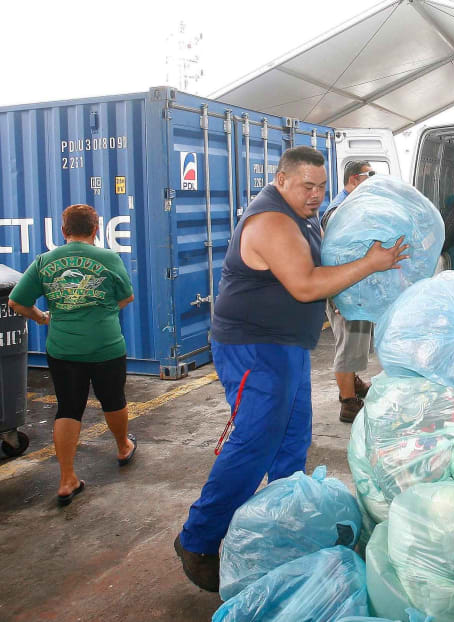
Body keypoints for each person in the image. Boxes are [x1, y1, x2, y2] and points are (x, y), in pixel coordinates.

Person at [174, 146, 409, 592]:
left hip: (286, 347)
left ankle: (285, 524)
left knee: (293, 442)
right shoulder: (273, 221)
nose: (316, 195)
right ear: (281, 180)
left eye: (321, 186)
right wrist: (371, 263)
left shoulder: (302, 215)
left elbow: (319, 269)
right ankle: (198, 539)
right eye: (307, 186)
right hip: (254, 347)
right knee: (254, 444)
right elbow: (303, 286)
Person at [7, 204, 136, 506]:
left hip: (64, 348)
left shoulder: (44, 261)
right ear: (95, 229)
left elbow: (16, 302)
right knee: (113, 399)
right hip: (106, 345)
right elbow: (126, 296)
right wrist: (102, 312)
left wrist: (42, 317)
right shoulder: (108, 258)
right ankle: (122, 447)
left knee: (68, 408)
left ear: (63, 231)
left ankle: (67, 479)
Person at [320, 160, 376, 423]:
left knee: (356, 343)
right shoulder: (339, 210)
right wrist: (340, 293)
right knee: (347, 343)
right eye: (369, 175)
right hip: (345, 288)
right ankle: (347, 402)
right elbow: (334, 256)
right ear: (354, 179)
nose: (373, 179)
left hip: (354, 286)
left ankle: (352, 382)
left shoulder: (352, 206)